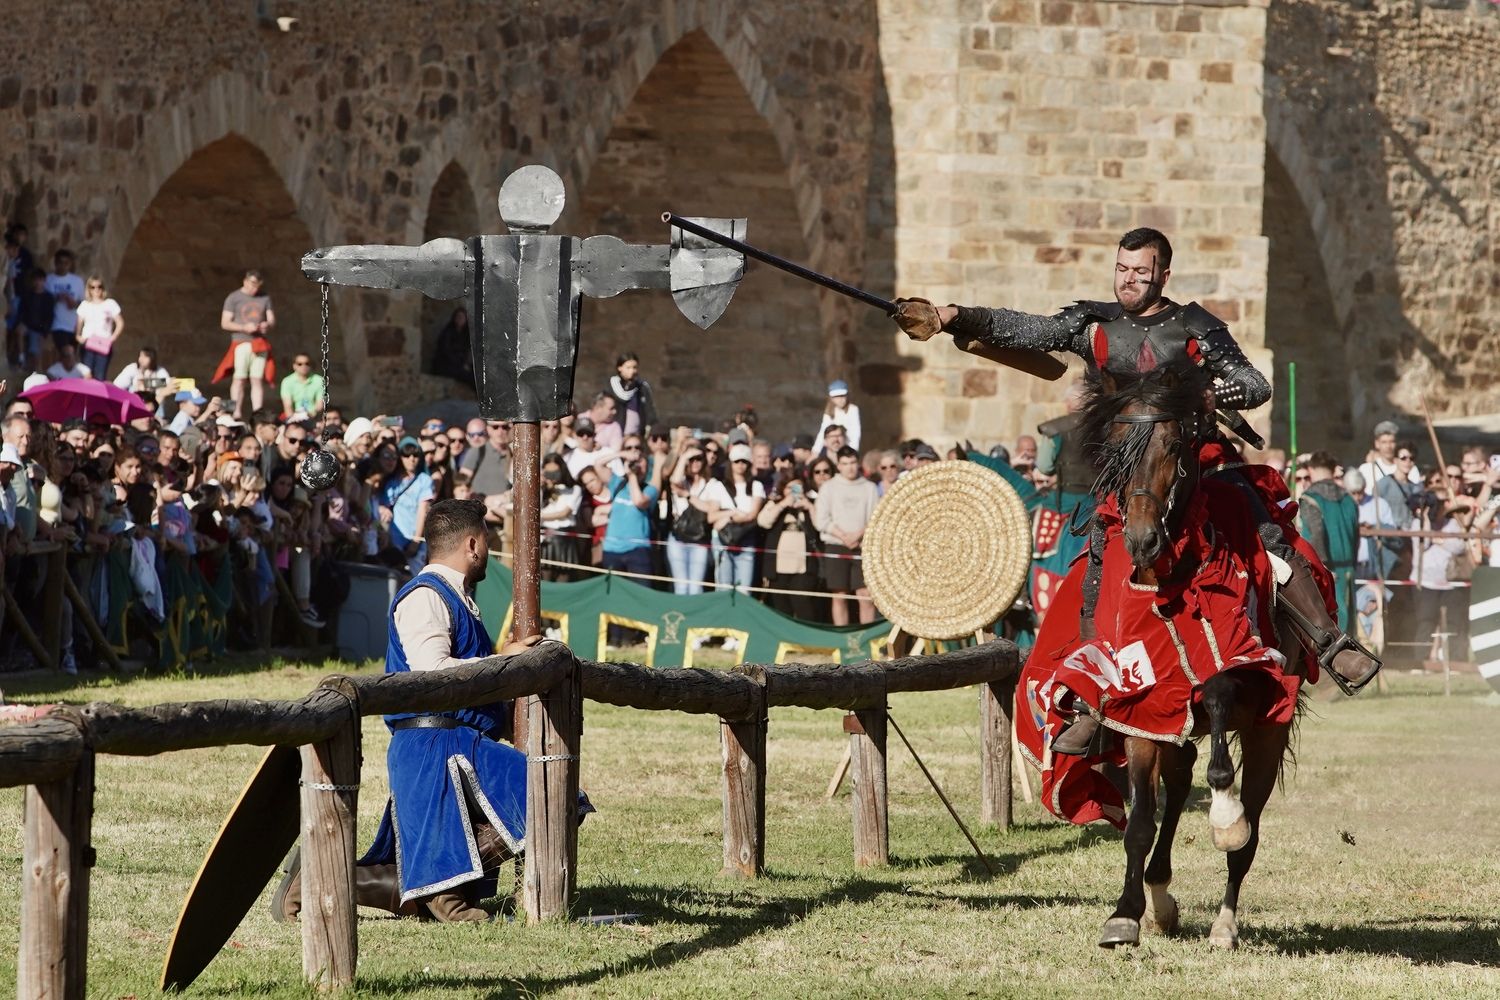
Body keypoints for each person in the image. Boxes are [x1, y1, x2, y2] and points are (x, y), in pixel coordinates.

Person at [894, 226, 1378, 753]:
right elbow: (1029, 330)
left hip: (1196, 461)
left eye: (1140, 272)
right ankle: (1089, 698)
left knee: (1265, 533)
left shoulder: (1193, 326)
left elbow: (1255, 384)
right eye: (1122, 270)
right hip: (1126, 475)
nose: (1129, 280)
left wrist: (1209, 391)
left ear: (1162, 275)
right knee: (1097, 568)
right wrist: (953, 318)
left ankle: (1331, 643)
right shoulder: (1095, 326)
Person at [273, 499, 588, 923]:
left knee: (554, 798)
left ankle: (408, 887)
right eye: (488, 544)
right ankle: (445, 893)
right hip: (436, 746)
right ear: (473, 544)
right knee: (557, 797)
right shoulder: (425, 596)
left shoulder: (456, 598)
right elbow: (431, 672)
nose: (489, 554)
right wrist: (502, 663)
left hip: (455, 742)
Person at [813, 446, 878, 625]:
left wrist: (858, 535)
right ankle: (843, 638)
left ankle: (866, 637)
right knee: (839, 595)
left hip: (862, 547)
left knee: (865, 595)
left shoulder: (869, 487)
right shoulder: (828, 487)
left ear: (858, 463)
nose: (849, 467)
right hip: (836, 545)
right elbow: (821, 520)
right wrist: (843, 536)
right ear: (838, 465)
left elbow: (876, 517)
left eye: (852, 463)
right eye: (845, 463)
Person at [1296, 451, 1359, 633]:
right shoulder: (1349, 499)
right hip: (1347, 569)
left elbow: (1316, 534)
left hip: (1325, 568)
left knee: (1331, 621)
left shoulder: (1310, 498)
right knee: (1347, 622)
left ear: (1312, 469)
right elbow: (1355, 537)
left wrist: (1322, 567)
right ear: (1333, 470)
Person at [666, 446, 727, 595]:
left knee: (695, 587)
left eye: (698, 459)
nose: (695, 462)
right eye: (691, 459)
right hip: (677, 539)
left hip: (699, 540)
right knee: (680, 586)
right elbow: (674, 480)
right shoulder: (682, 481)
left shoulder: (713, 484)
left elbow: (710, 509)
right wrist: (683, 457)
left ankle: (693, 618)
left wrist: (687, 495)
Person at [597, 438, 659, 580]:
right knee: (613, 596)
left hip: (638, 550)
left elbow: (639, 501)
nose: (636, 463)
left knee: (640, 595)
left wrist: (632, 475)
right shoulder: (617, 483)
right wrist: (621, 454)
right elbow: (598, 464)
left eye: (640, 460)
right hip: (611, 550)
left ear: (647, 465)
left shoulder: (650, 489)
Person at [219, 270, 276, 419]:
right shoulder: (234, 297)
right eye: (252, 285)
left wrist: (266, 325)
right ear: (245, 281)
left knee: (256, 379)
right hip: (241, 341)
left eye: (257, 286)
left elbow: (271, 320)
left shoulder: (264, 298)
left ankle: (258, 412)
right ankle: (235, 411)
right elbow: (225, 323)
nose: (254, 289)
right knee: (239, 378)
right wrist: (244, 327)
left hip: (259, 343)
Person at [712, 443, 765, 593]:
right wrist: (732, 514)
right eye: (737, 461)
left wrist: (728, 518)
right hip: (723, 540)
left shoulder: (756, 486)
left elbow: (752, 515)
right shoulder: (719, 486)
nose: (741, 465)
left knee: (744, 590)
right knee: (723, 588)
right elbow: (712, 517)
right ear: (731, 463)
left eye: (744, 461)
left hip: (746, 539)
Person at [381, 436, 434, 574]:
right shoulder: (390, 481)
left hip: (414, 541)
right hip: (393, 540)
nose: (412, 458)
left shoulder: (424, 480)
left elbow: (424, 511)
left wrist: (416, 541)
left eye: (415, 455)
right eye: (406, 454)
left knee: (414, 580)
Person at [75, 276, 123, 380]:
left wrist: (112, 338)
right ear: (89, 289)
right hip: (88, 342)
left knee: (100, 376)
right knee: (86, 375)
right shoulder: (85, 305)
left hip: (103, 343)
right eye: (93, 287)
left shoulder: (110, 303)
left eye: (99, 287)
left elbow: (120, 322)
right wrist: (78, 336)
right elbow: (79, 322)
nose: (96, 290)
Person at [601, 352, 657, 437]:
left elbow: (650, 409)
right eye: (628, 367)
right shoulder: (614, 382)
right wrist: (633, 386)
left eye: (634, 367)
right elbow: (624, 397)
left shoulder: (642, 386)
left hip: (637, 434)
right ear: (620, 368)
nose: (632, 371)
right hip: (617, 433)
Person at [44, 249, 84, 367]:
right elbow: (44, 301)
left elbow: (82, 302)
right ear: (55, 263)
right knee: (66, 351)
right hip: (57, 324)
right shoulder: (49, 280)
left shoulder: (77, 281)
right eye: (60, 262)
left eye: (66, 263)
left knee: (71, 355)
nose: (63, 266)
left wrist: (72, 302)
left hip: (73, 324)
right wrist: (56, 298)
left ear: (70, 264)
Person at [461, 418, 512, 497]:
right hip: (481, 506)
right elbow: (461, 485)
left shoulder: (513, 452)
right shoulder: (477, 451)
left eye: (504, 427)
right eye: (495, 427)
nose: (500, 431)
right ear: (488, 429)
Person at [431, 306, 475, 387]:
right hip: (446, 365)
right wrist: (461, 364)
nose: (460, 319)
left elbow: (465, 352)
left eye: (462, 317)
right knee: (467, 375)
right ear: (454, 318)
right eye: (458, 317)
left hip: (458, 364)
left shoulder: (465, 335)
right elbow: (445, 351)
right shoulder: (447, 332)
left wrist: (464, 363)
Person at [814, 380, 861, 453]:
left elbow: (855, 433)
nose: (840, 400)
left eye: (842, 396)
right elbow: (823, 430)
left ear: (847, 396)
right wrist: (815, 451)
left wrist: (853, 451)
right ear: (831, 398)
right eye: (836, 397)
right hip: (832, 446)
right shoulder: (829, 411)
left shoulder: (853, 409)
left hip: (847, 446)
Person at [279, 354, 326, 418]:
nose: (304, 366)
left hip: (315, 418)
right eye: (300, 364)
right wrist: (293, 421)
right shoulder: (287, 381)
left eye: (307, 363)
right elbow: (288, 407)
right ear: (294, 366)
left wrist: (308, 417)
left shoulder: (319, 380)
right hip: (294, 418)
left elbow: (320, 405)